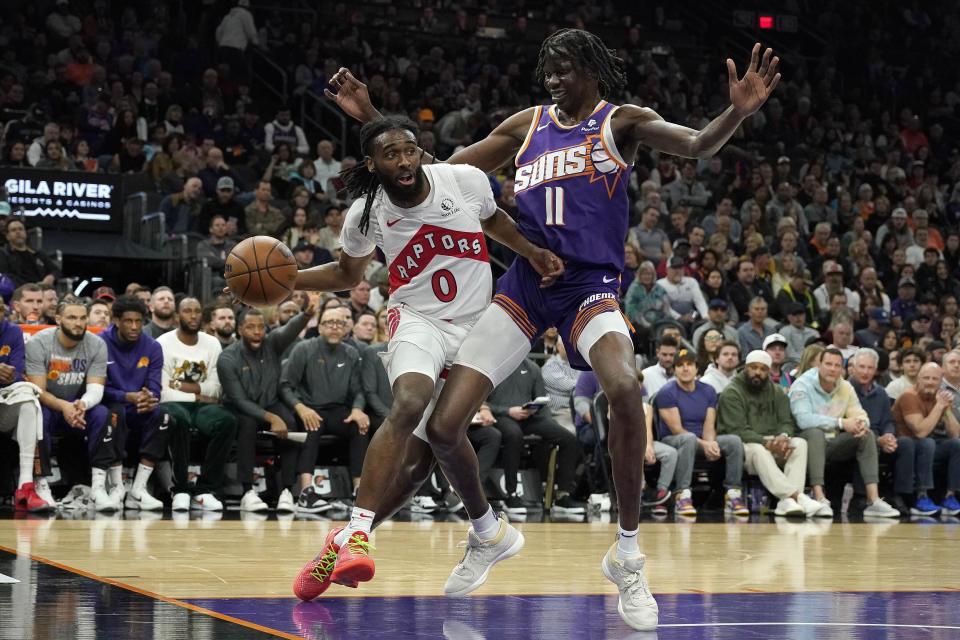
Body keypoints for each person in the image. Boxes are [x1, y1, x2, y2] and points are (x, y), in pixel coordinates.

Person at [327, 31, 780, 630]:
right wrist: (374, 120)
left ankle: (627, 553)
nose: (553, 80)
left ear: (591, 70)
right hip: (526, 280)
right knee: (441, 427)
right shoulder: (526, 125)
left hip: (588, 284)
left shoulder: (623, 122)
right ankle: (487, 534)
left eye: (563, 70)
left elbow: (696, 145)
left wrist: (736, 114)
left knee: (623, 386)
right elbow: (438, 174)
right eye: (548, 72)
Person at [286, 117, 564, 602]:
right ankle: (357, 533)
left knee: (419, 465)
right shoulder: (365, 213)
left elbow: (494, 220)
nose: (405, 161)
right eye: (391, 155)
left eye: (411, 150)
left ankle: (350, 541)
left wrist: (533, 252)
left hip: (475, 330)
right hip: (418, 320)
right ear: (372, 165)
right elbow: (346, 275)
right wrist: (287, 280)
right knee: (409, 402)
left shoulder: (463, 180)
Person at [219, 305, 313, 513]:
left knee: (288, 421)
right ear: (240, 329)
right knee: (247, 424)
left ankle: (286, 491)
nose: (257, 332)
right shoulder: (227, 358)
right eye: (251, 327)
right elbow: (239, 400)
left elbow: (290, 329)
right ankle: (247, 491)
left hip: (270, 401)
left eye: (261, 327)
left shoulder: (273, 344)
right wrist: (270, 417)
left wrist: (306, 314)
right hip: (240, 407)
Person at [25, 301, 117, 510]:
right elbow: (38, 391)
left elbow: (96, 389)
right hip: (50, 406)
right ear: (58, 320)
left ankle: (98, 487)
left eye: (83, 318)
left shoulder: (96, 344)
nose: (79, 323)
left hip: (78, 408)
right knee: (36, 413)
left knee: (103, 413)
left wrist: (81, 404)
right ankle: (41, 483)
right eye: (72, 318)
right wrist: (65, 407)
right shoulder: (39, 343)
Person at [788, 348, 900, 518]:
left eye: (837, 365)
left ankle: (873, 500)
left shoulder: (845, 386)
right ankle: (819, 498)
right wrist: (840, 422)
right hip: (804, 443)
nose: (832, 369)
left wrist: (861, 424)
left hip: (832, 443)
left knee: (866, 435)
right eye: (828, 364)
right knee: (815, 433)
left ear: (843, 369)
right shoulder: (802, 384)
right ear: (819, 365)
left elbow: (861, 414)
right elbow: (803, 420)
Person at [716, 350, 821, 517]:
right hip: (745, 445)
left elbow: (786, 422)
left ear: (769, 370)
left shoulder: (778, 392)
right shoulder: (732, 392)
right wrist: (768, 443)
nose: (758, 372)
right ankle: (797, 497)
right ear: (745, 368)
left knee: (799, 444)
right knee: (758, 450)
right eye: (753, 367)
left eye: (763, 369)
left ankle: (787, 503)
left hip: (772, 441)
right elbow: (737, 430)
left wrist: (784, 436)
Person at [158, 297, 237, 512]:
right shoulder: (163, 343)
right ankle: (180, 489)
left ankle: (205, 489)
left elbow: (216, 388)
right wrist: (198, 394)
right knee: (178, 420)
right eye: (187, 311)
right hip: (174, 403)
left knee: (227, 421)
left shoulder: (212, 343)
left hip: (202, 407)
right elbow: (163, 390)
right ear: (177, 317)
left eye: (197, 311)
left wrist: (180, 385)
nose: (193, 316)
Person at [485, 357, 586, 515]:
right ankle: (511, 495)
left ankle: (562, 496)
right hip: (501, 416)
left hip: (529, 417)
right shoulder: (494, 366)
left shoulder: (532, 367)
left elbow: (542, 401)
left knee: (568, 438)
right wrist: (508, 411)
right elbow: (482, 403)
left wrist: (540, 414)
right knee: (514, 435)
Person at [657, 348, 747, 518]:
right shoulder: (666, 392)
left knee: (733, 441)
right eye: (680, 365)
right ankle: (682, 495)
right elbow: (677, 429)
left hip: (700, 441)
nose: (685, 369)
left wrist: (711, 443)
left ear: (697, 368)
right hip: (674, 440)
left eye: (689, 364)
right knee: (689, 438)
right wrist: (704, 444)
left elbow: (709, 424)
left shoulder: (708, 391)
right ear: (674, 369)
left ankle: (732, 493)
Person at [101, 295, 168, 511]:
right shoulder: (100, 342)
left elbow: (155, 385)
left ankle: (139, 489)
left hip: (139, 405)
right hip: (113, 403)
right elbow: (97, 388)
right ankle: (117, 488)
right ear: (116, 320)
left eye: (139, 321)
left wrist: (150, 398)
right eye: (128, 321)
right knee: (114, 413)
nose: (134, 327)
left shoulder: (153, 346)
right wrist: (126, 396)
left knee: (163, 416)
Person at [852, 349, 937, 517]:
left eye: (870, 368)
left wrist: (889, 436)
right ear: (853, 367)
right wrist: (879, 440)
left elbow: (888, 422)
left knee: (905, 442)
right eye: (861, 367)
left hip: (882, 438)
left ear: (876, 370)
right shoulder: (846, 389)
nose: (865, 371)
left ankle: (901, 495)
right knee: (867, 442)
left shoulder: (881, 393)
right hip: (856, 437)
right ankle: (862, 496)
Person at [0, 299, 51, 511]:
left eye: (0, 309)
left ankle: (27, 486)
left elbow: (18, 371)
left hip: (4, 402)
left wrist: (8, 375)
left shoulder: (12, 331)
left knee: (29, 399)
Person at [893, 361, 960, 516]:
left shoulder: (939, 397)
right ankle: (922, 496)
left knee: (957, 444)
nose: (930, 382)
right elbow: (921, 432)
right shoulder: (908, 396)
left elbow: (955, 433)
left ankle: (950, 496)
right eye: (926, 378)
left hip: (926, 447)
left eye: (935, 379)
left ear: (940, 381)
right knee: (927, 442)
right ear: (919, 379)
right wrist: (939, 407)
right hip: (904, 446)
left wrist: (947, 410)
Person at [0, 219, 61, 286]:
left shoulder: (38, 253)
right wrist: (30, 287)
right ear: (7, 236)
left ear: (25, 233)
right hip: (18, 291)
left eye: (20, 229)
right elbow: (6, 275)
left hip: (42, 289)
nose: (18, 232)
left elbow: (56, 271)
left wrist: (51, 277)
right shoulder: (4, 253)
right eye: (13, 230)